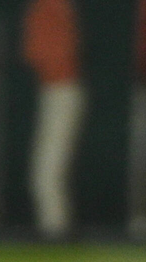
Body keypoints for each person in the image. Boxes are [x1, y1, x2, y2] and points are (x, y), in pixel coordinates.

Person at [22, 0, 85, 240]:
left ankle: (57, 238)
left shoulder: (54, 6)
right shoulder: (45, 6)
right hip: (53, 91)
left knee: (46, 175)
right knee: (43, 175)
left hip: (63, 91)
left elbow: (52, 54)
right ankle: (54, 234)